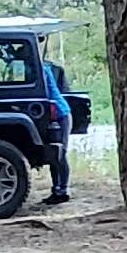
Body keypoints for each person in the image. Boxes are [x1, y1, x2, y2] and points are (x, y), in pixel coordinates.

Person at [34, 51, 80, 205]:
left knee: (61, 152)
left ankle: (64, 190)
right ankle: (56, 189)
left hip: (61, 113)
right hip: (54, 114)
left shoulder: (43, 70)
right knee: (54, 154)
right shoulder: (40, 68)